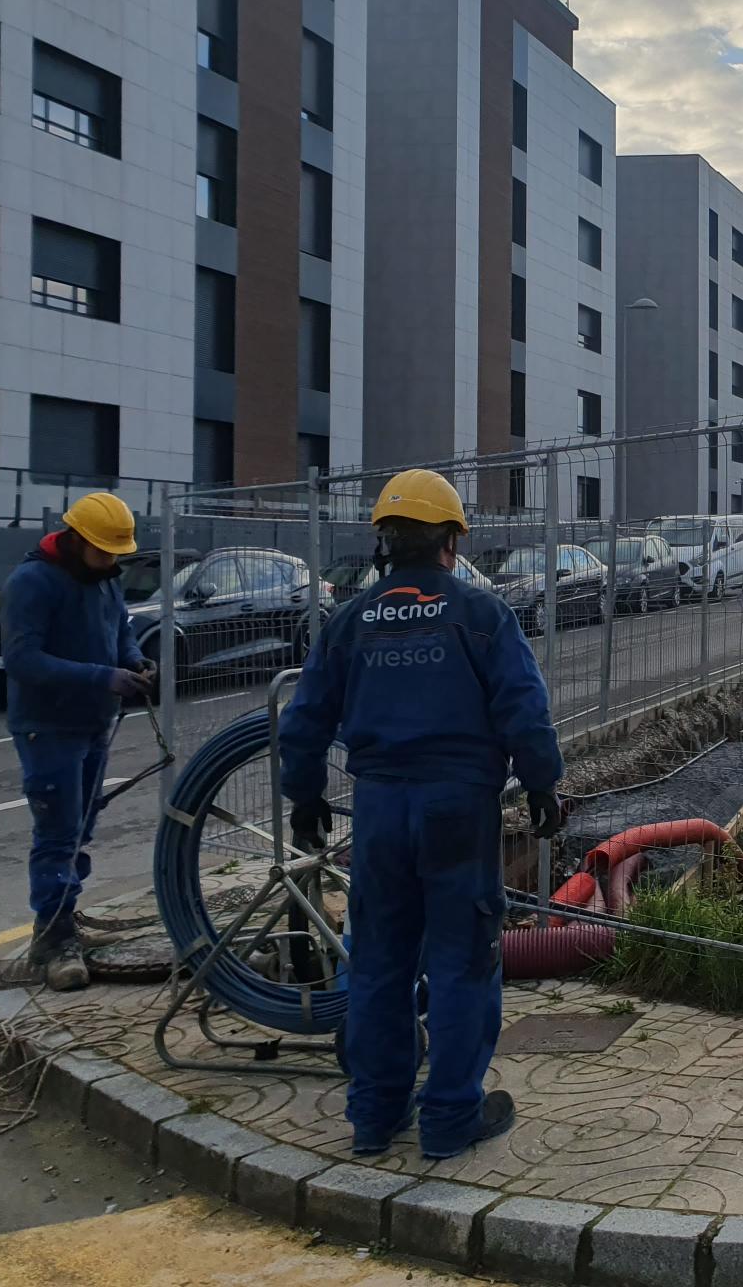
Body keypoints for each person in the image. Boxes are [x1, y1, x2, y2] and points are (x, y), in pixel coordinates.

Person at [278, 469, 565, 1160]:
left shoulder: (350, 620)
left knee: (379, 963)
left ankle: (374, 1119)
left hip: (378, 811)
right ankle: (448, 1120)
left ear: (385, 545)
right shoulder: (480, 614)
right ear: (450, 542)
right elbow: (522, 708)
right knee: (464, 962)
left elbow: (306, 718)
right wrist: (542, 785)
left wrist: (306, 798)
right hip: (458, 810)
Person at [0, 492, 155, 990]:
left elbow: (120, 632)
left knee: (80, 828)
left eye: (116, 553)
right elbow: (23, 660)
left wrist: (132, 661)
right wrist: (101, 678)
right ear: (76, 540)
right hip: (49, 727)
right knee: (58, 833)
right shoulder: (32, 582)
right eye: (103, 551)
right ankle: (52, 939)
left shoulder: (104, 580)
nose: (112, 560)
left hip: (92, 723)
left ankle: (64, 918)